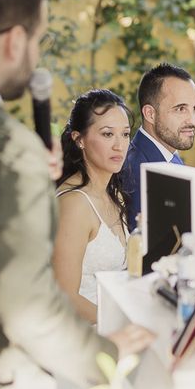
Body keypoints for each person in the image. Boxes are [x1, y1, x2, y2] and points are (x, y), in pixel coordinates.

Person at [0, 0, 153, 389]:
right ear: (15, 41)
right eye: (38, 40)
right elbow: (29, 306)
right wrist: (107, 356)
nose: (36, 55)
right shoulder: (6, 144)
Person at [54, 89, 131, 324]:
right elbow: (64, 295)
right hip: (86, 331)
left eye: (125, 134)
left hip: (114, 314)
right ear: (79, 139)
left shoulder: (112, 193)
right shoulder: (74, 204)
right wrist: (123, 325)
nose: (119, 145)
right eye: (108, 134)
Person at [123, 63, 195, 270]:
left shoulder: (168, 156)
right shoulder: (137, 170)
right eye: (181, 109)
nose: (192, 120)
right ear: (150, 114)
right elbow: (146, 255)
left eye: (194, 109)